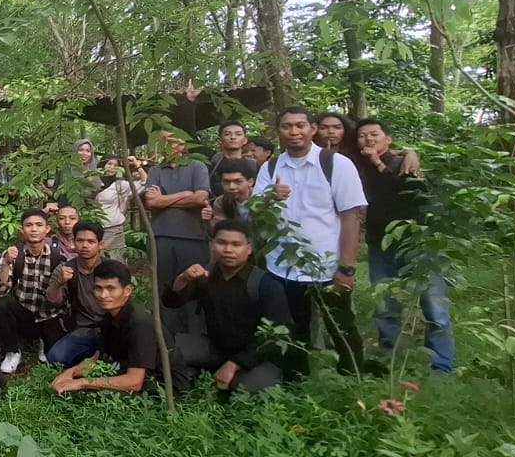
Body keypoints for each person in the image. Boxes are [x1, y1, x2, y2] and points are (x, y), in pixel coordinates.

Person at [253, 107, 369, 372]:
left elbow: (351, 217)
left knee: (340, 325)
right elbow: (253, 212)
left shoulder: (336, 164)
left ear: (312, 129)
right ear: (278, 131)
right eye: (286, 126)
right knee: (293, 327)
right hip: (283, 265)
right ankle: (296, 379)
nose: (294, 132)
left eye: (300, 125)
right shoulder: (270, 167)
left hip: (325, 264)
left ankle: (354, 376)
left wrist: (346, 267)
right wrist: (270, 197)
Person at [357, 120, 453, 373]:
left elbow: (408, 195)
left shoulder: (406, 164)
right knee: (386, 306)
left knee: (435, 307)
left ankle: (442, 366)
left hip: (417, 244)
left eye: (374, 134)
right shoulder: (356, 167)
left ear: (388, 139)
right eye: (362, 136)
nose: (368, 139)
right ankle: (391, 360)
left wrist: (380, 162)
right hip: (380, 246)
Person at [164, 222, 298, 393]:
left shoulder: (265, 284)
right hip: (216, 347)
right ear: (212, 246)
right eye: (222, 243)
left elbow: (278, 336)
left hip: (256, 355)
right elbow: (171, 301)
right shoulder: (206, 276)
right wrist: (183, 279)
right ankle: (189, 387)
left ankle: (227, 380)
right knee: (167, 351)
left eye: (236, 244)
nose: (228, 250)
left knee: (255, 388)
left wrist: (235, 364)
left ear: (249, 249)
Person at [50, 259, 164, 395]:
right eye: (98, 288)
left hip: (160, 384)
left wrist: (82, 383)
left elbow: (135, 382)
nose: (103, 295)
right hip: (126, 368)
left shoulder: (140, 323)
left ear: (127, 290)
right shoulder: (108, 317)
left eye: (111, 288)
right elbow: (97, 359)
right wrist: (70, 373)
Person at [0, 209, 66, 373]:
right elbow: (1, 291)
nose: (33, 229)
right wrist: (6, 264)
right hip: (24, 314)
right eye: (29, 225)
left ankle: (43, 341)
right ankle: (12, 351)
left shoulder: (56, 256)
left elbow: (61, 299)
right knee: (2, 304)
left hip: (49, 316)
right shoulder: (14, 254)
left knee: (56, 356)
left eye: (39, 225)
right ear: (22, 230)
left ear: (47, 229)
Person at [144, 131, 212, 301]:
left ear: (183, 145)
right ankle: (166, 328)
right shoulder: (155, 170)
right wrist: (185, 194)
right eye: (163, 142)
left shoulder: (197, 166)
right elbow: (151, 203)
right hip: (160, 237)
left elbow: (200, 198)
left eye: (172, 142)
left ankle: (197, 328)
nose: (168, 146)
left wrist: (163, 199)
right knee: (164, 287)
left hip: (193, 237)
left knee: (196, 285)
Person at [45, 220, 109, 366]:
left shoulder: (111, 269)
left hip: (110, 328)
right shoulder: (65, 269)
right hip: (83, 330)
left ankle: (100, 356)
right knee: (56, 358)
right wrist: (60, 282)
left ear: (100, 245)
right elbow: (52, 302)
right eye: (80, 240)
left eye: (91, 241)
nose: (85, 245)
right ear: (73, 242)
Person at [95, 155, 146, 252]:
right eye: (109, 164)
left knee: (115, 260)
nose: (112, 167)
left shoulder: (119, 185)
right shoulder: (92, 181)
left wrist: (137, 164)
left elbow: (144, 182)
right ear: (102, 165)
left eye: (115, 165)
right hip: (93, 228)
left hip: (113, 229)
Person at [203, 158, 258, 233]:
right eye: (226, 182)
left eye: (237, 182)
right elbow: (219, 232)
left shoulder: (262, 199)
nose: (231, 187)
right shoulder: (221, 202)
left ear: (250, 182)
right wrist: (208, 221)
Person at [210, 121, 251, 185]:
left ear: (245, 140)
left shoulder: (253, 165)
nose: (233, 137)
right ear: (219, 140)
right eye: (227, 134)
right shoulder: (212, 164)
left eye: (238, 134)